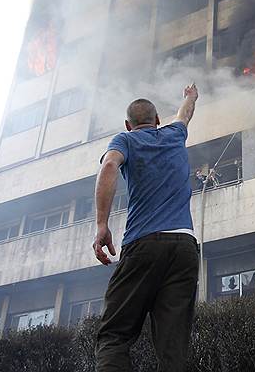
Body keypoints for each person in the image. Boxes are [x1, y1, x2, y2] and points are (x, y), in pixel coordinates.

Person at [92, 84, 200, 372]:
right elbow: (185, 114)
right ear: (157, 121)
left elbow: (109, 167)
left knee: (114, 336)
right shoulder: (175, 134)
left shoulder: (125, 141)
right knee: (172, 349)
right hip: (185, 247)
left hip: (144, 245)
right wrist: (190, 96)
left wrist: (102, 225)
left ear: (128, 125)